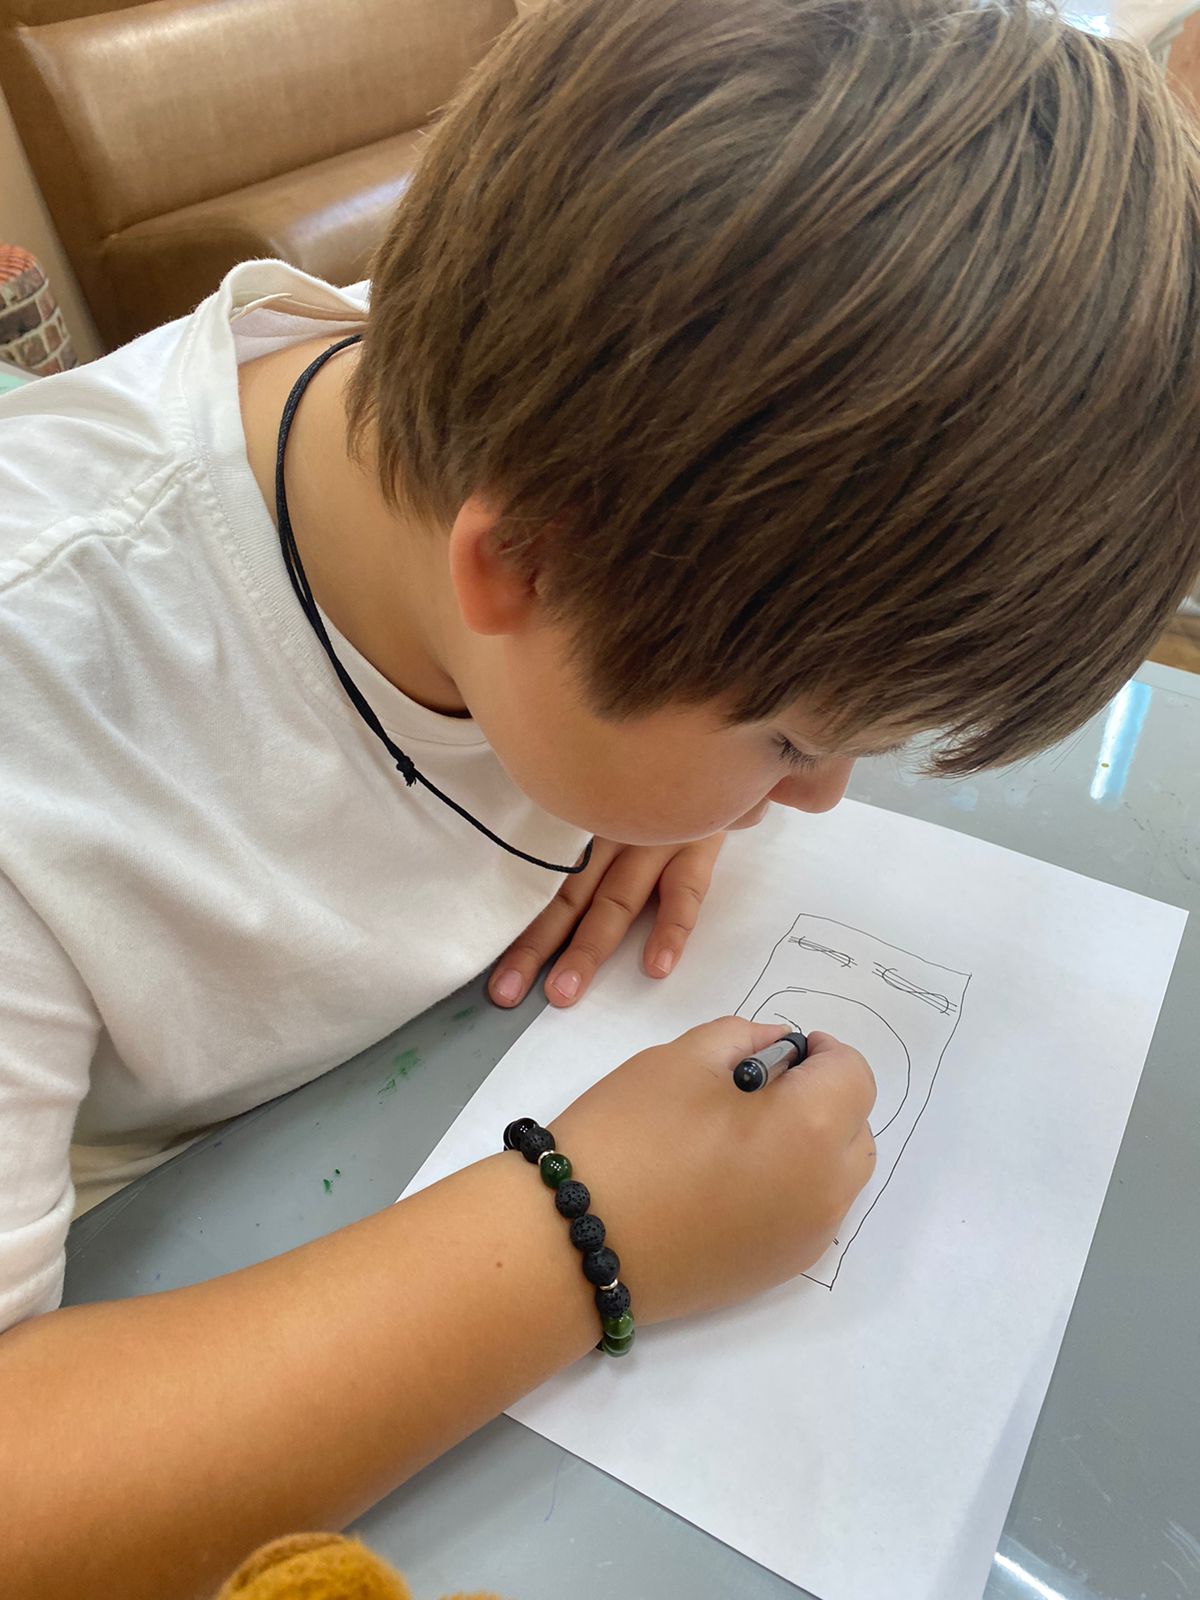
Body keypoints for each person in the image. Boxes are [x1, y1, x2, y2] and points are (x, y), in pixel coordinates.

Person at [2, 0, 1198, 1592]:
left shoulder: (577, 407)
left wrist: (642, 775)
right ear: (522, 564)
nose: (820, 802)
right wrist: (584, 1235)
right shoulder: (48, 692)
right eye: (790, 741)